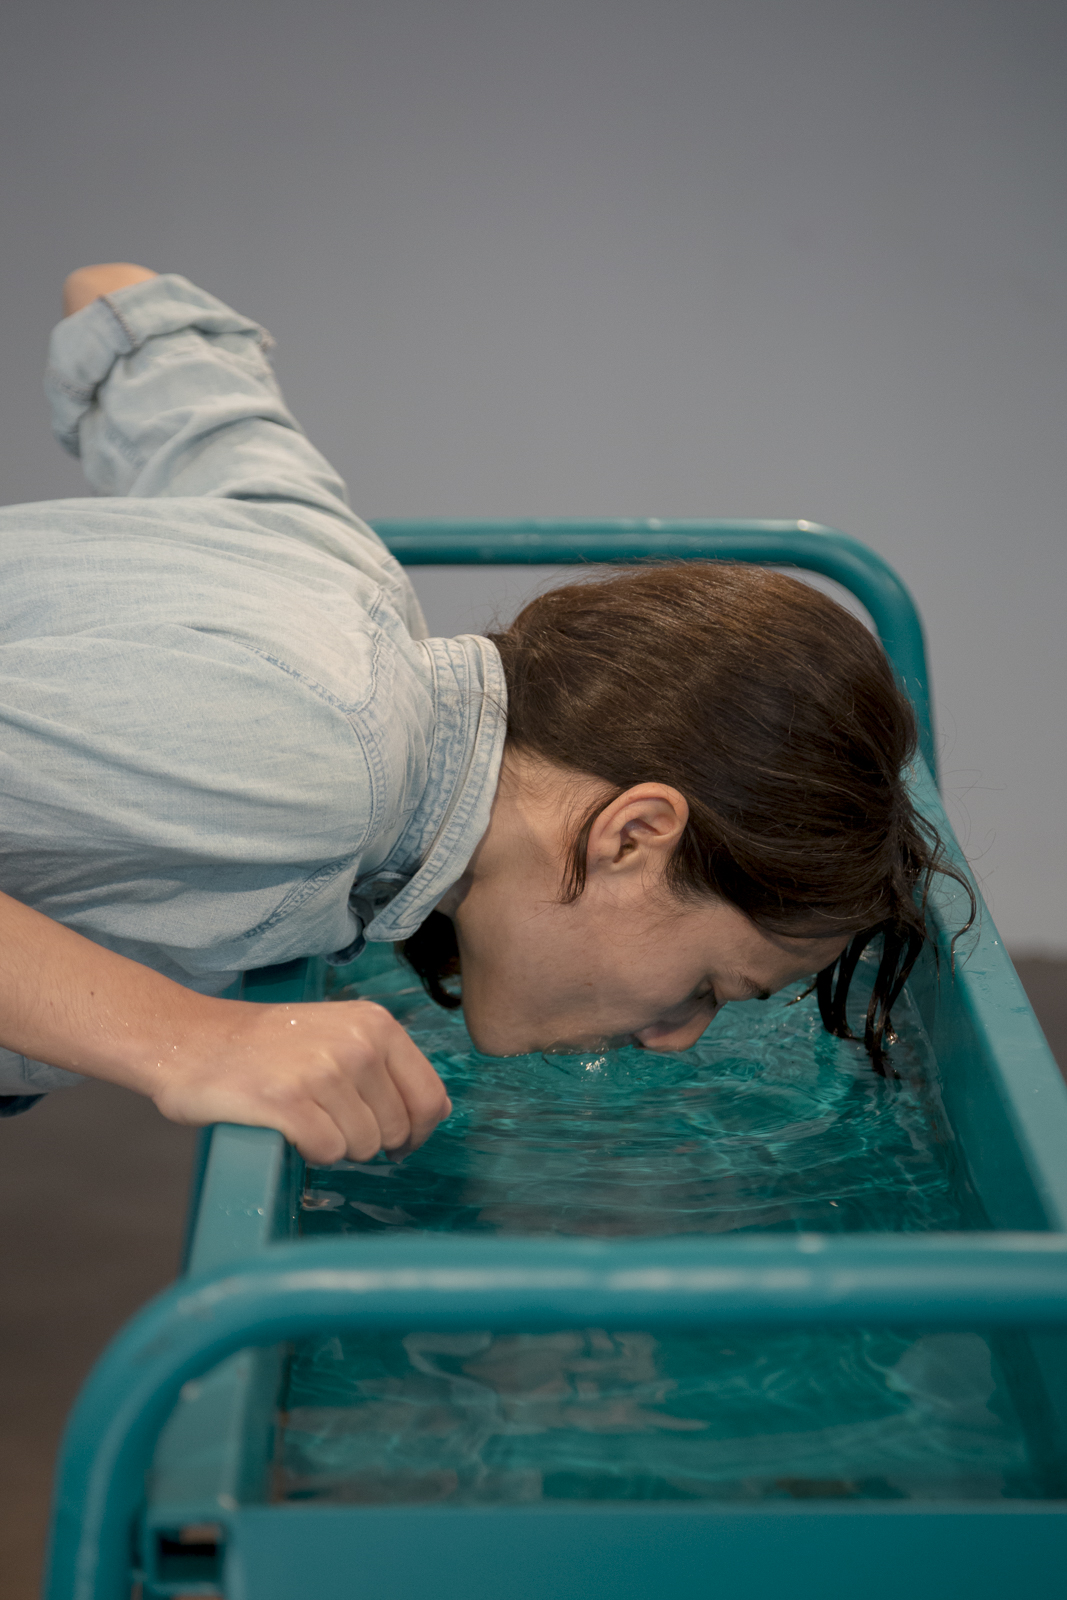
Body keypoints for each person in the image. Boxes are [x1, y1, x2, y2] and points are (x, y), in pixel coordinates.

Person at [0, 262, 962, 1162]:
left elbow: (119, 304)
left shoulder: (342, 570)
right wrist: (187, 1040)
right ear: (632, 834)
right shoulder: (322, 762)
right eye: (710, 986)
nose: (674, 1041)